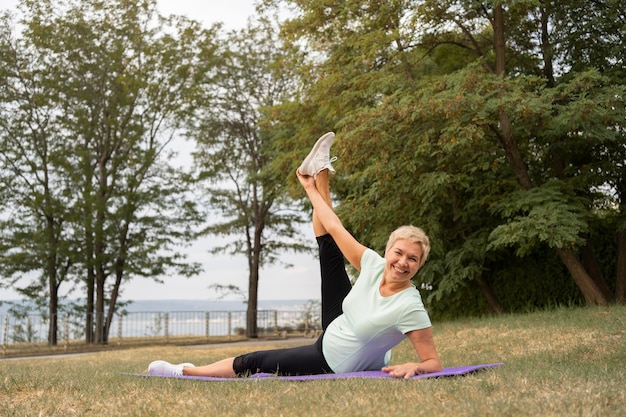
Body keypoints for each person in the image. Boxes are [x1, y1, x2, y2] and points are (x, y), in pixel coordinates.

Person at [148, 132, 442, 379]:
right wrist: (315, 186)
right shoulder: (375, 264)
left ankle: (186, 372)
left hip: (330, 358)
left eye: (412, 259)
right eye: (398, 253)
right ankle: (321, 167)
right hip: (341, 319)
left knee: (255, 360)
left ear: (420, 265)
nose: (402, 262)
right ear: (388, 251)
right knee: (329, 245)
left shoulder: (409, 307)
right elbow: (334, 226)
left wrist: (415, 366)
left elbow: (433, 363)